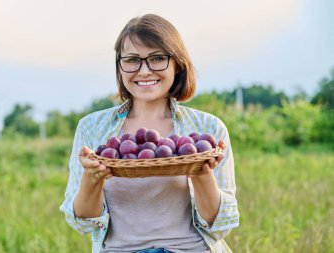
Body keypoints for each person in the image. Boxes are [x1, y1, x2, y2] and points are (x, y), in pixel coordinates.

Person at [60, 14, 239, 253]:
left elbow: (220, 226)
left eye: (157, 58)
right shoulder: (92, 129)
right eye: (132, 60)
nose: (144, 71)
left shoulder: (207, 129)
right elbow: (83, 222)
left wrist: (200, 171)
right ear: (119, 66)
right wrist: (93, 178)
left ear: (177, 64)